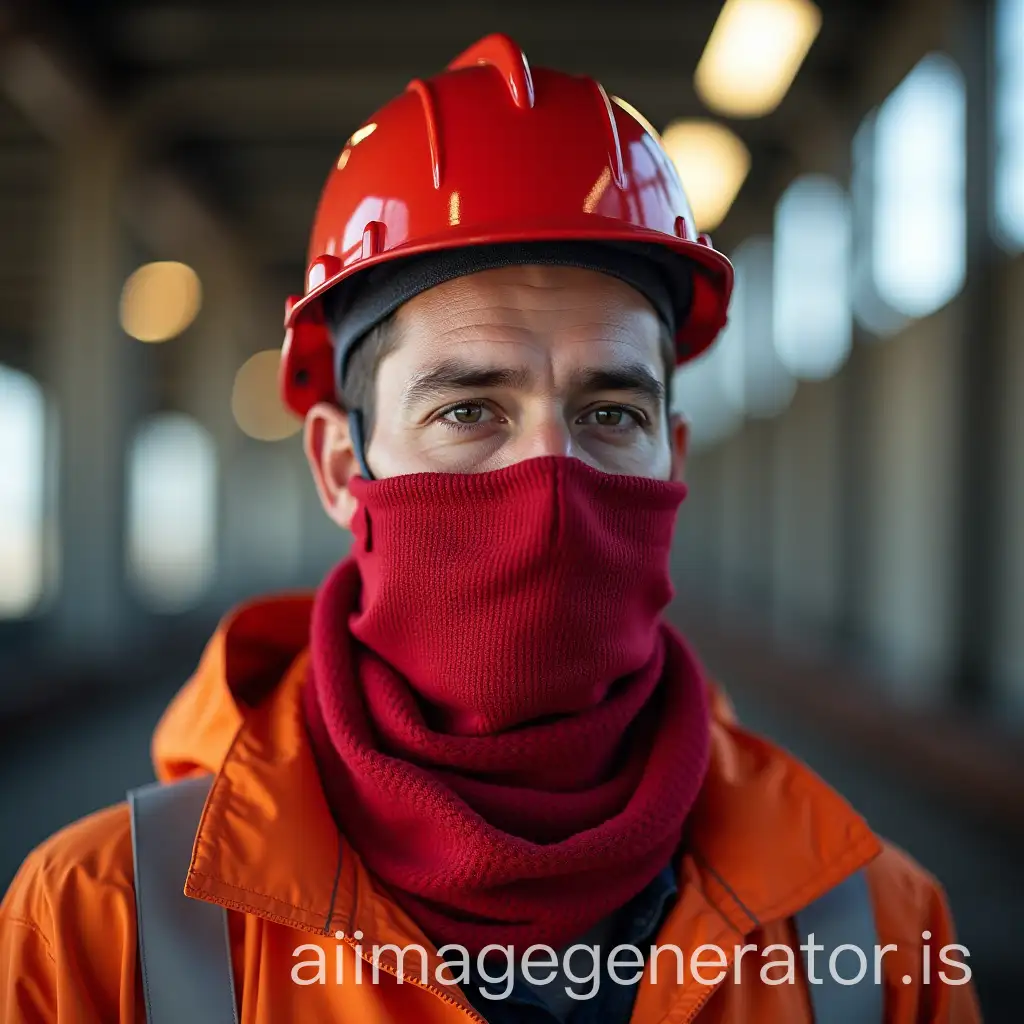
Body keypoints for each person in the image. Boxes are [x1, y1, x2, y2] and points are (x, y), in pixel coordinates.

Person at [0, 33, 981, 1024]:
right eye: (469, 411)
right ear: (344, 469)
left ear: (671, 457)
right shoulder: (100, 928)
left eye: (610, 413)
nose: (547, 477)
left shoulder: (875, 927)